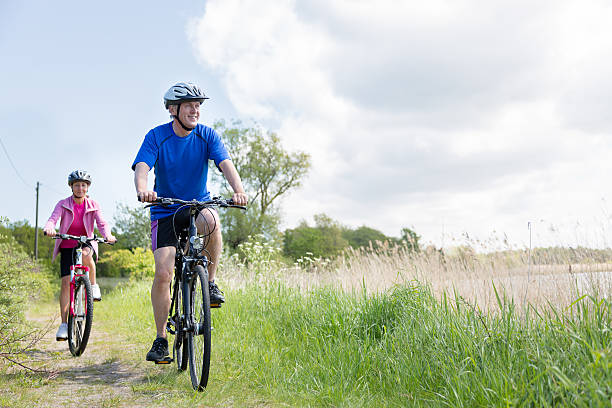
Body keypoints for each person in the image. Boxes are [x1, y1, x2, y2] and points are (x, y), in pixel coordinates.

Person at [132, 81, 248, 363]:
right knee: (163, 271)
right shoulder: (156, 136)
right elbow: (142, 166)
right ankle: (161, 339)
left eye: (198, 105)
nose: (195, 110)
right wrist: (143, 188)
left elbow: (225, 164)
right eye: (189, 105)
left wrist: (238, 190)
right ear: (173, 109)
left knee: (212, 220)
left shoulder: (208, 135)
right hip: (166, 210)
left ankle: (210, 283)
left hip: (198, 205)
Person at [43, 170, 117, 341]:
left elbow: (102, 223)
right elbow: (53, 219)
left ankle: (93, 285)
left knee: (85, 255)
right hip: (67, 244)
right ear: (71, 187)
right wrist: (49, 228)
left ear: (87, 187)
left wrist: (108, 235)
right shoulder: (63, 204)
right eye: (77, 185)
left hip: (86, 242)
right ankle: (63, 324)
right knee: (65, 284)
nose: (80, 188)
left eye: (83, 185)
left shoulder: (93, 204)